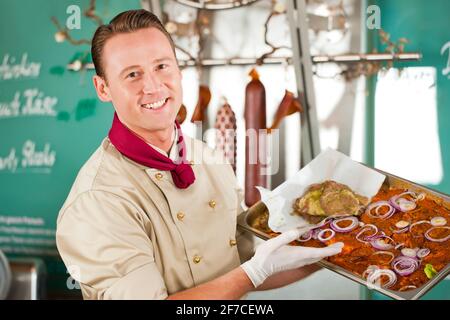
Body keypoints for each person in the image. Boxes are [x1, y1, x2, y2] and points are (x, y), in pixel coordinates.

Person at [55, 9, 343, 300]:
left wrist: (334, 254)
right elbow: (249, 273)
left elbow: (248, 266)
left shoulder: (210, 161)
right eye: (133, 74)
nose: (153, 86)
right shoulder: (98, 199)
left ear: (179, 71)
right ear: (103, 88)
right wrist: (252, 273)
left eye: (162, 67)